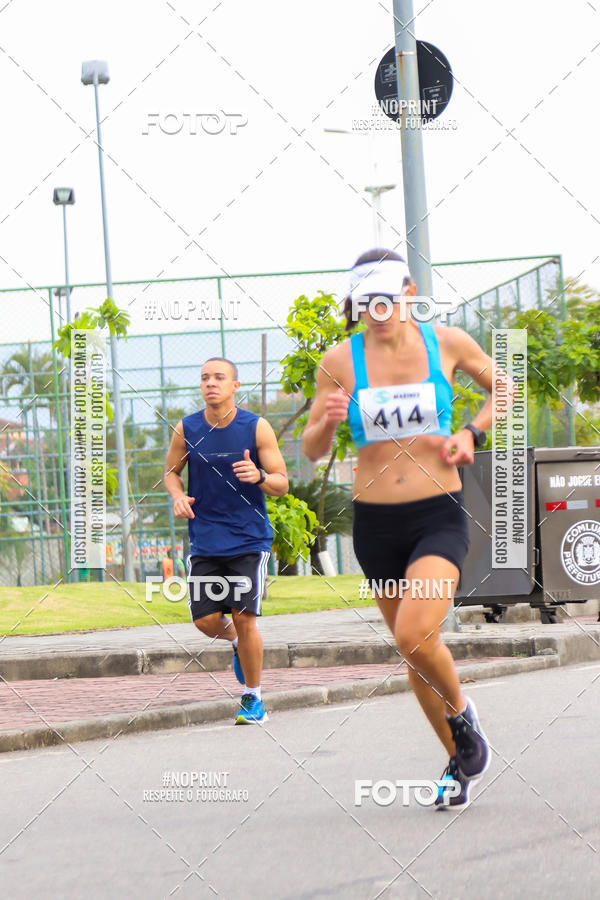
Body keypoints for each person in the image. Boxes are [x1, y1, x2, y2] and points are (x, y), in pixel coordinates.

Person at [302, 248, 498, 809]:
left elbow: (504, 388)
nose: (378, 310)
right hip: (376, 526)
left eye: (387, 298)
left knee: (416, 632)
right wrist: (325, 422)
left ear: (409, 291)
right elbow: (313, 452)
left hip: (437, 512)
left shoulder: (447, 343)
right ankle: (459, 761)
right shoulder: (340, 360)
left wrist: (472, 433)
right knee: (414, 652)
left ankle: (463, 718)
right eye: (367, 302)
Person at [164, 357, 288, 724]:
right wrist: (177, 495)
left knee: (245, 616)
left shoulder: (256, 427)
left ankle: (253, 699)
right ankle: (236, 642)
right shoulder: (186, 428)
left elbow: (282, 483)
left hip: (249, 539)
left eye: (219, 377)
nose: (210, 383)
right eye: (204, 378)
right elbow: (171, 472)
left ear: (236, 385)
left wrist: (260, 475)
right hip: (205, 539)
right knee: (205, 621)